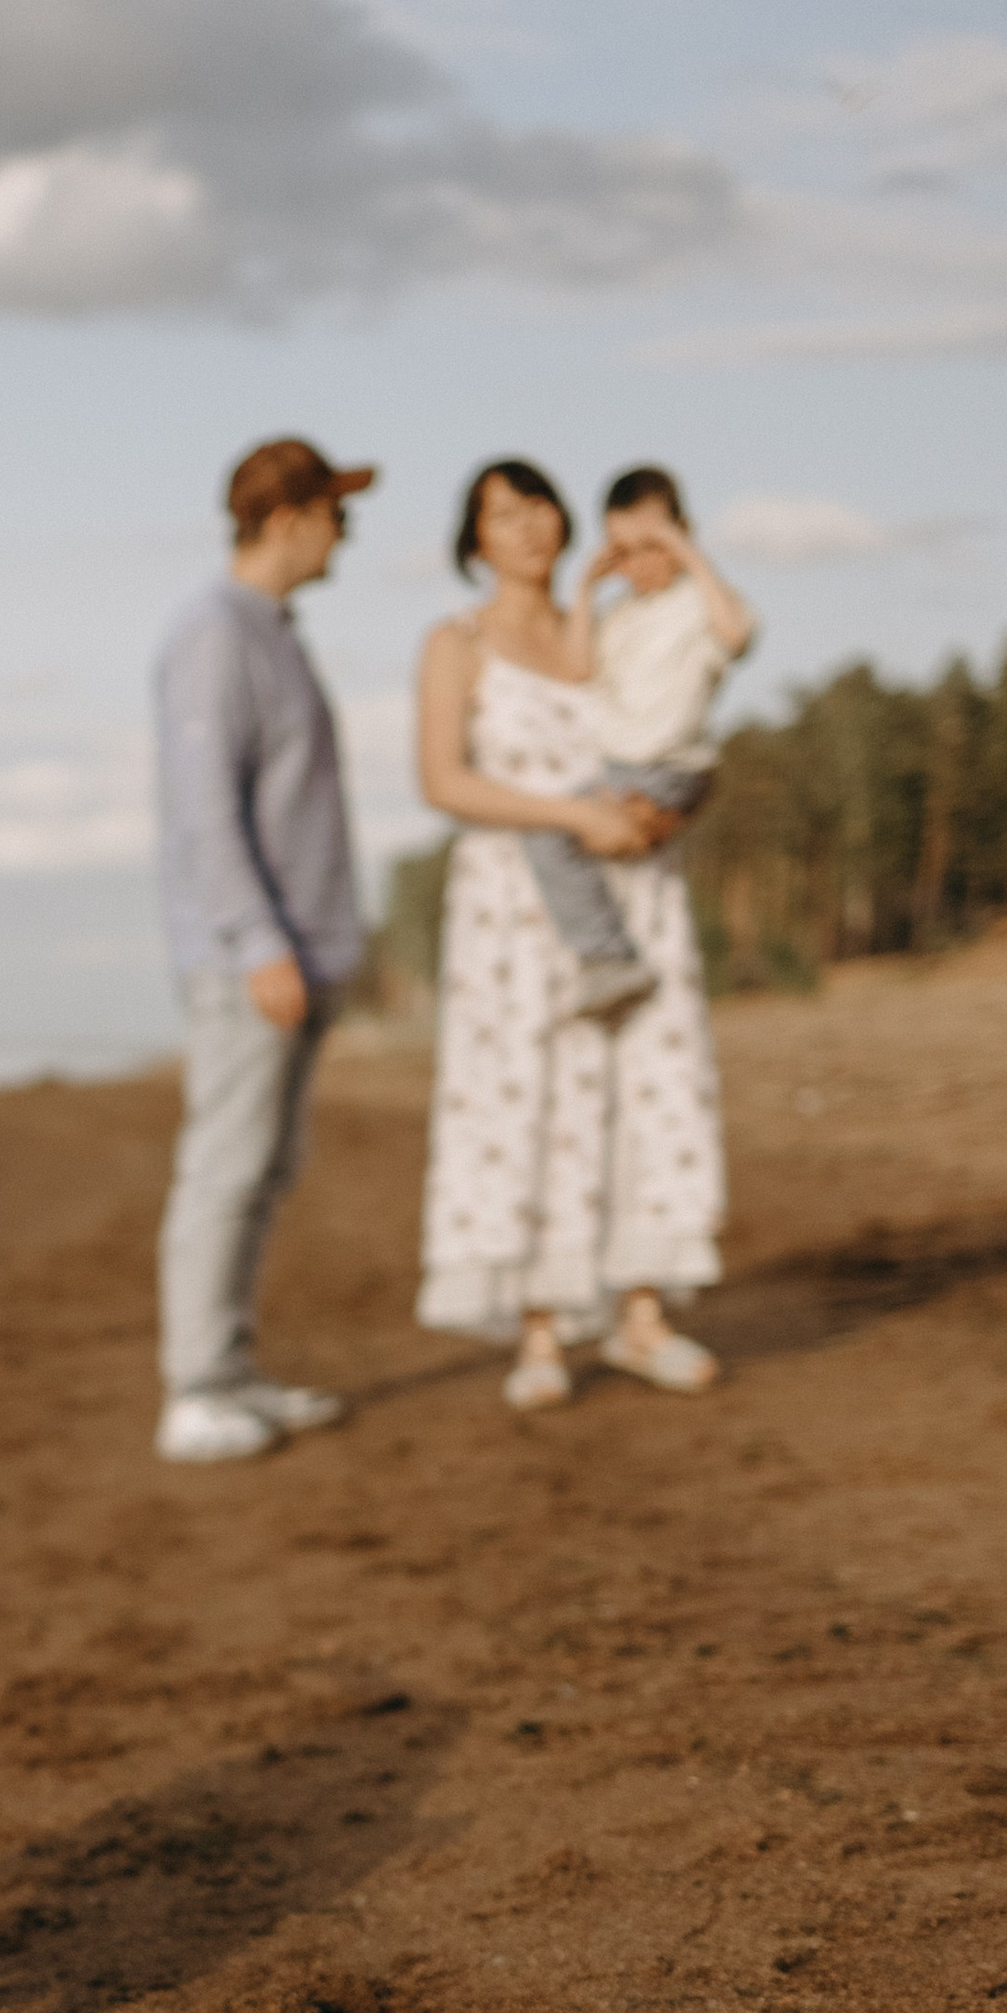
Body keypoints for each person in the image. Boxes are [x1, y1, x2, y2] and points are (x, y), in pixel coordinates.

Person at [414, 457, 728, 1411]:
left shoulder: (621, 623)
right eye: (500, 515)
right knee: (527, 1104)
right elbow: (443, 781)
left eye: (538, 503)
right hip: (516, 908)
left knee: (650, 1093)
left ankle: (641, 1313)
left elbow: (682, 732)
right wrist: (568, 817)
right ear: (473, 542)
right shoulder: (456, 642)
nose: (526, 526)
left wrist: (666, 814)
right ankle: (541, 1326)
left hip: (636, 888)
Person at [151, 432, 375, 1464]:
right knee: (225, 1168)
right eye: (336, 510)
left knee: (265, 1167)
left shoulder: (273, 630)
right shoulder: (215, 633)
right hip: (257, 958)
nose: (348, 529)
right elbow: (204, 811)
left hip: (302, 953)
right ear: (285, 518)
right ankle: (194, 1390)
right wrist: (256, 943)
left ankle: (230, 1370)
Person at [516, 465, 758, 1024]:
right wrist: (583, 588)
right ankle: (608, 956)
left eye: (652, 547)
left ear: (683, 534)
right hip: (625, 768)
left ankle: (609, 957)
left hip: (668, 768)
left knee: (559, 831)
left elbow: (737, 635)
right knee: (549, 830)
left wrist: (689, 556)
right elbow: (578, 667)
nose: (638, 564)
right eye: (622, 552)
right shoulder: (619, 615)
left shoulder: (702, 604)